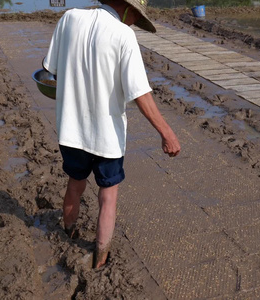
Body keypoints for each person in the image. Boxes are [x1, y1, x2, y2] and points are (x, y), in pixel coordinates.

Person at [43, 0, 181, 269]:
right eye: (135, 17)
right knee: (108, 196)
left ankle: (68, 232)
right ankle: (100, 259)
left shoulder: (69, 18)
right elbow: (140, 93)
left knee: (75, 183)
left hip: (71, 130)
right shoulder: (123, 35)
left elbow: (52, 73)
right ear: (127, 9)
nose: (133, 23)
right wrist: (167, 133)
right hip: (107, 137)